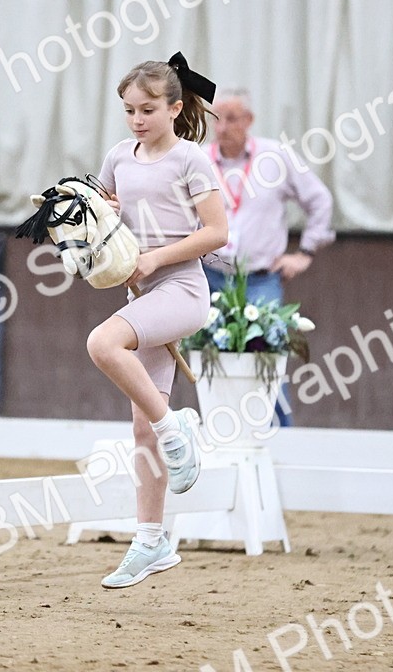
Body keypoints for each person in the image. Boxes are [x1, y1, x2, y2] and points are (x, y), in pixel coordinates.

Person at [88, 53, 227, 589]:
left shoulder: (192, 160)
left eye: (147, 109)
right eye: (128, 111)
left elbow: (217, 234)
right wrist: (109, 228)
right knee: (140, 427)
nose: (137, 120)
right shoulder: (119, 156)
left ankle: (179, 428)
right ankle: (152, 541)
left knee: (102, 344)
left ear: (174, 108)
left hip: (182, 288)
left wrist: (154, 259)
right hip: (144, 291)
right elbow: (105, 216)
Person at [203, 87, 335, 426]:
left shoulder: (274, 158)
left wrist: (304, 253)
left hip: (261, 277)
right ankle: (220, 429)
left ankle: (281, 435)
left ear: (249, 121)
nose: (222, 127)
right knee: (210, 354)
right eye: (217, 118)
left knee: (269, 355)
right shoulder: (200, 161)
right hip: (214, 272)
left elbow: (319, 200)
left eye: (231, 118)